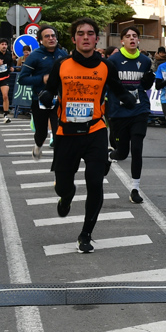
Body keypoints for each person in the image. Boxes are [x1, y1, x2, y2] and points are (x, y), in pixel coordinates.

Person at [41, 18, 137, 255]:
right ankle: (66, 197)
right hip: (66, 133)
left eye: (90, 33)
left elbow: (117, 88)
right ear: (73, 38)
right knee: (63, 186)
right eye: (81, 33)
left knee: (95, 183)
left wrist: (127, 98)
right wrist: (45, 96)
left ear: (96, 39)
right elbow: (50, 89)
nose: (86, 37)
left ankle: (85, 234)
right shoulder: (61, 65)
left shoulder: (106, 66)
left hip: (95, 131)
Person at [105, 25, 155, 204]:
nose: (132, 38)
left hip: (140, 109)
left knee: (137, 148)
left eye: (135, 36)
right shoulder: (113, 60)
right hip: (119, 112)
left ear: (138, 40)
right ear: (122, 41)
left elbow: (145, 85)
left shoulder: (145, 60)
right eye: (128, 36)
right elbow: (108, 84)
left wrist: (148, 82)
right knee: (122, 153)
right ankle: (110, 155)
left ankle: (135, 189)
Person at [18, 25, 70, 160]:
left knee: (60, 132)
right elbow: (22, 79)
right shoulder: (35, 56)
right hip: (40, 99)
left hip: (59, 99)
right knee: (41, 133)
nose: (51, 38)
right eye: (47, 36)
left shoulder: (63, 54)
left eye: (53, 36)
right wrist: (42, 79)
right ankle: (38, 145)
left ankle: (60, 165)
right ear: (40, 40)